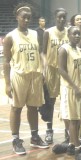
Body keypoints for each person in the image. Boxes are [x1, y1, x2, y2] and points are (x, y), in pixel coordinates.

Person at [3, 3, 48, 155]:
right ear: (17, 17)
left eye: (29, 17)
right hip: (19, 75)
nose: (27, 20)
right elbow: (6, 61)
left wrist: (43, 69)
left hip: (35, 75)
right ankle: (16, 139)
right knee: (16, 108)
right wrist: (7, 84)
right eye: (24, 17)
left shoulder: (36, 34)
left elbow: (40, 53)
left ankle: (34, 137)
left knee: (33, 107)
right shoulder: (10, 36)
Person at [55, 26, 81, 159]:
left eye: (79, 34)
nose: (77, 36)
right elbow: (62, 70)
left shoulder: (77, 50)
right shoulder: (64, 49)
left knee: (77, 119)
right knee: (73, 119)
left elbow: (80, 70)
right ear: (68, 35)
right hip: (69, 89)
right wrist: (75, 86)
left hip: (78, 88)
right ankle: (78, 148)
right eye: (74, 33)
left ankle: (71, 144)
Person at [40, 8, 69, 144]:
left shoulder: (69, 32)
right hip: (51, 70)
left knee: (66, 101)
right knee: (50, 102)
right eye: (59, 17)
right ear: (55, 17)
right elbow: (43, 52)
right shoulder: (48, 32)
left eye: (64, 17)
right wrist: (44, 68)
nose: (62, 19)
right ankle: (49, 130)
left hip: (65, 70)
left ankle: (67, 131)